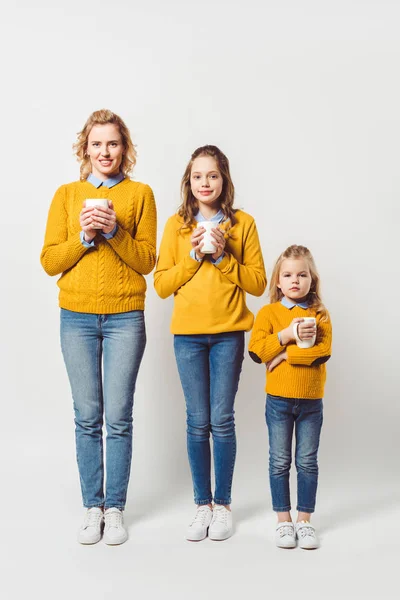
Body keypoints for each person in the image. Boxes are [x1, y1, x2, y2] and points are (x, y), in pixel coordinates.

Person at [40, 109, 157, 545]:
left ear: (124, 149)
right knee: (87, 415)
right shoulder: (67, 195)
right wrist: (85, 237)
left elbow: (147, 261)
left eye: (113, 143)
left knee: (119, 417)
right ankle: (93, 507)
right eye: (96, 144)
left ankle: (116, 508)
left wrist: (114, 232)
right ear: (84, 149)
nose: (104, 152)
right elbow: (50, 260)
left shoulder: (141, 194)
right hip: (76, 317)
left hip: (126, 316)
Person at [154, 145, 266, 541]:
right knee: (196, 420)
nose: (205, 183)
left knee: (221, 420)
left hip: (228, 335)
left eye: (213, 175)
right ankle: (202, 504)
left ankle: (223, 506)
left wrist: (221, 257)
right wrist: (192, 256)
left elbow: (258, 283)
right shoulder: (175, 226)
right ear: (189, 181)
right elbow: (162, 285)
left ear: (224, 180)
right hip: (187, 336)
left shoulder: (244, 224)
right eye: (198, 176)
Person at [248, 244, 332, 549]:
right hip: (279, 401)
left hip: (311, 400)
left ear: (312, 280)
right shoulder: (269, 313)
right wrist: (286, 337)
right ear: (278, 282)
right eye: (288, 275)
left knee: (307, 461)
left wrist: (285, 356)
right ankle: (284, 521)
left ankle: (305, 520)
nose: (295, 280)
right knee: (279, 461)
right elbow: (258, 350)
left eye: (302, 274)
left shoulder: (319, 313)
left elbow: (323, 351)